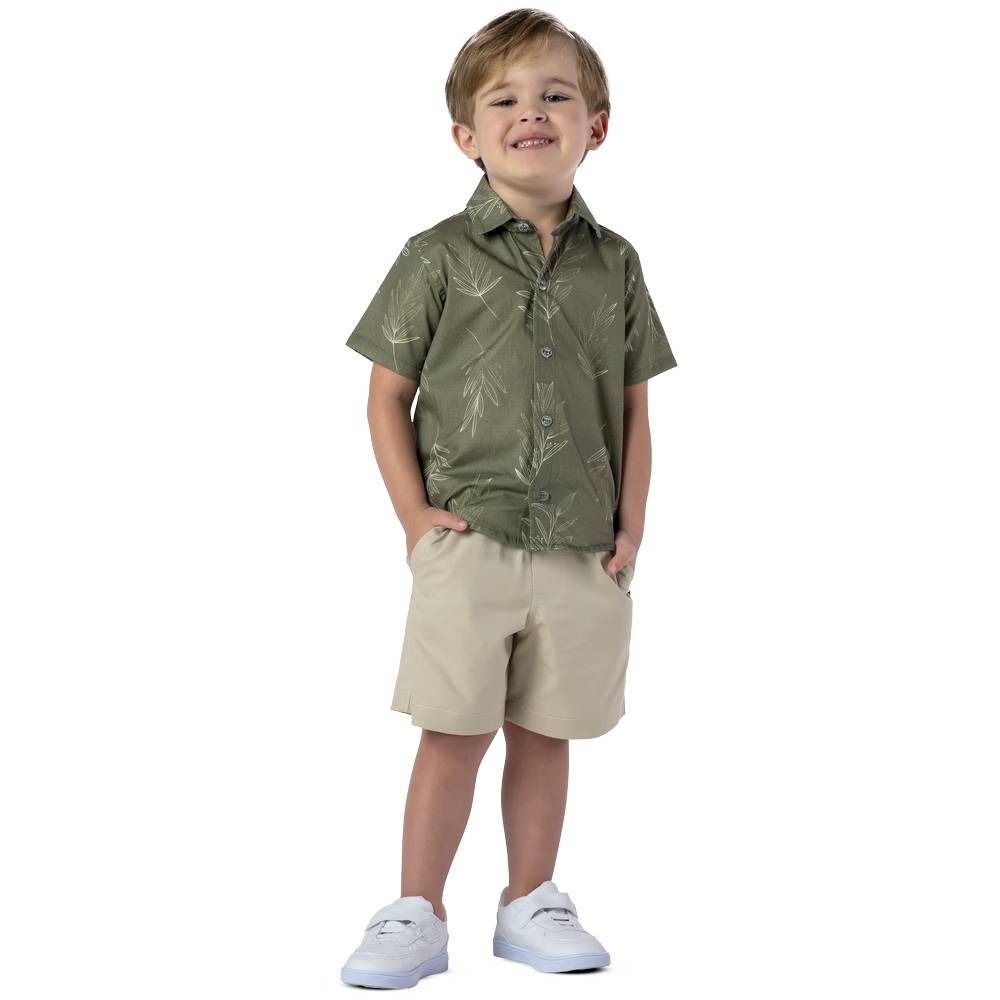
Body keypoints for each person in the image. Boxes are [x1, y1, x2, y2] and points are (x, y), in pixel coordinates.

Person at [339, 9, 678, 988]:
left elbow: (634, 404)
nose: (531, 112)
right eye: (505, 100)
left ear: (595, 127)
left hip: (582, 544)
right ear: (467, 136)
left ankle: (531, 900)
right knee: (453, 731)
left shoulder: (617, 264)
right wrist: (415, 521)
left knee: (546, 729)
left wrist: (632, 525)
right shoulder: (435, 255)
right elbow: (386, 396)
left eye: (555, 95)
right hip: (469, 535)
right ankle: (416, 910)